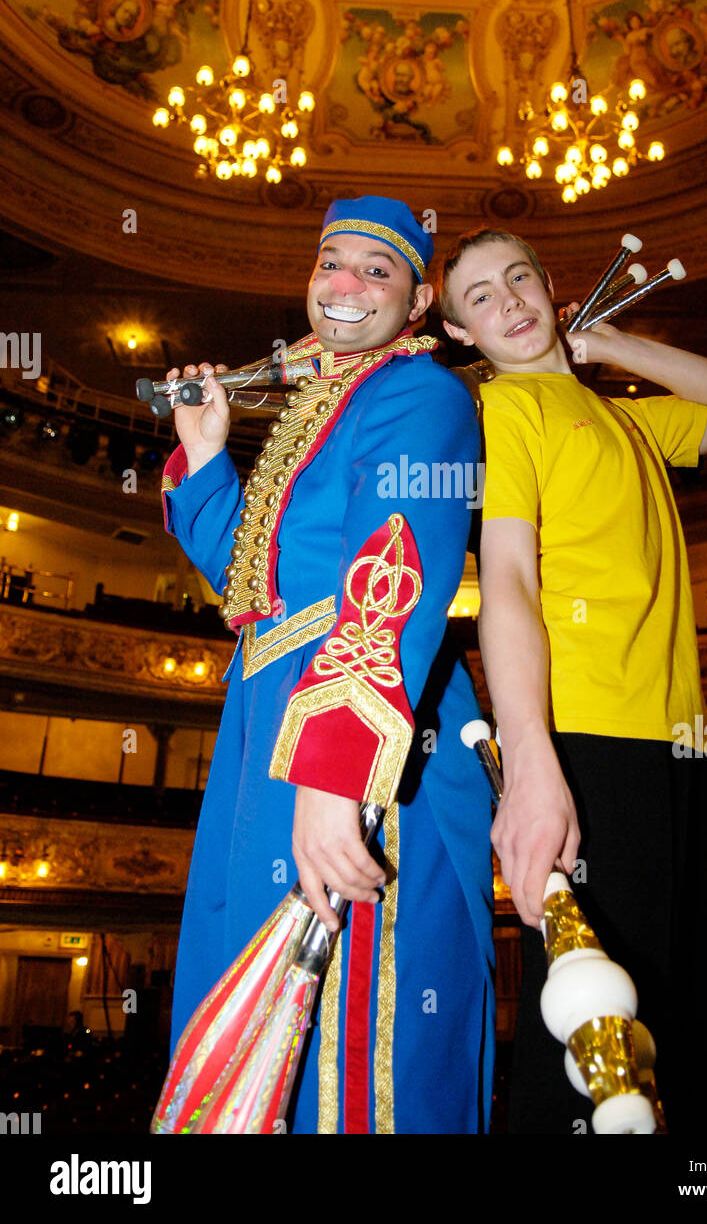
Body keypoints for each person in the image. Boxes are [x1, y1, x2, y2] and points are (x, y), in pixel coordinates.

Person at [160, 197, 494, 1134]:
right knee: (256, 1006)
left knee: (354, 1034)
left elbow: (394, 565)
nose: (344, 286)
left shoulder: (418, 394)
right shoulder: (322, 404)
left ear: (420, 300)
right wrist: (206, 453)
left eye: (376, 272)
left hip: (349, 722)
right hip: (266, 711)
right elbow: (252, 586)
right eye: (329, 264)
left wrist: (335, 770)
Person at [436, 228, 707, 1133]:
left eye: (518, 279)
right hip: (586, 741)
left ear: (550, 288)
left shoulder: (625, 416)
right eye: (479, 297)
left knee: (671, 1027)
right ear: (461, 333)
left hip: (675, 747)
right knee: (588, 1032)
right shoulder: (504, 411)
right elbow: (505, 580)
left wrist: (613, 346)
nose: (507, 301)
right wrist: (532, 756)